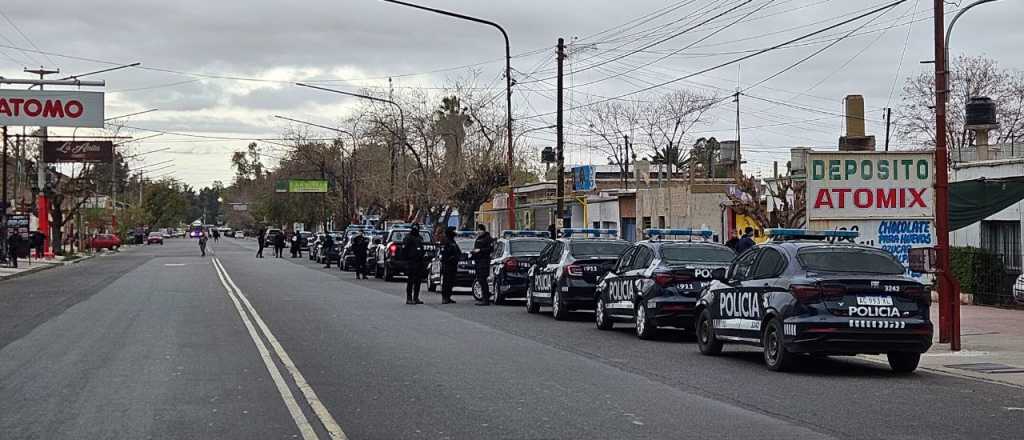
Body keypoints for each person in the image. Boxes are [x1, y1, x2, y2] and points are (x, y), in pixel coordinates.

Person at [401, 224, 427, 305]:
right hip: (411, 262)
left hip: (419, 262)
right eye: (414, 228)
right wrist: (406, 261)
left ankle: (416, 298)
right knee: (410, 280)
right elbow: (404, 250)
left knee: (418, 281)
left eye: (417, 228)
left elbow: (422, 248)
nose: (416, 230)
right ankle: (409, 298)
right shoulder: (408, 238)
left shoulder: (419, 238)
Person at [471, 224, 495, 306]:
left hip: (484, 262)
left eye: (479, 230)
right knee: (480, 280)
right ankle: (484, 298)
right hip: (478, 262)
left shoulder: (488, 238)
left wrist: (480, 250)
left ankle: (486, 299)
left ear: (483, 230)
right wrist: (473, 252)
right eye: (477, 230)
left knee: (483, 280)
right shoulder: (479, 238)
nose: (478, 232)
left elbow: (490, 249)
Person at [439, 227, 460, 304]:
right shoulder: (445, 241)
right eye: (453, 231)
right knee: (446, 281)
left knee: (451, 281)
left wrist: (458, 256)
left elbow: (458, 251)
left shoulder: (453, 241)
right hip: (447, 264)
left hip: (453, 264)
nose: (455, 232)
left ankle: (448, 296)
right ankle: (444, 297)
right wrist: (449, 258)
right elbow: (444, 253)